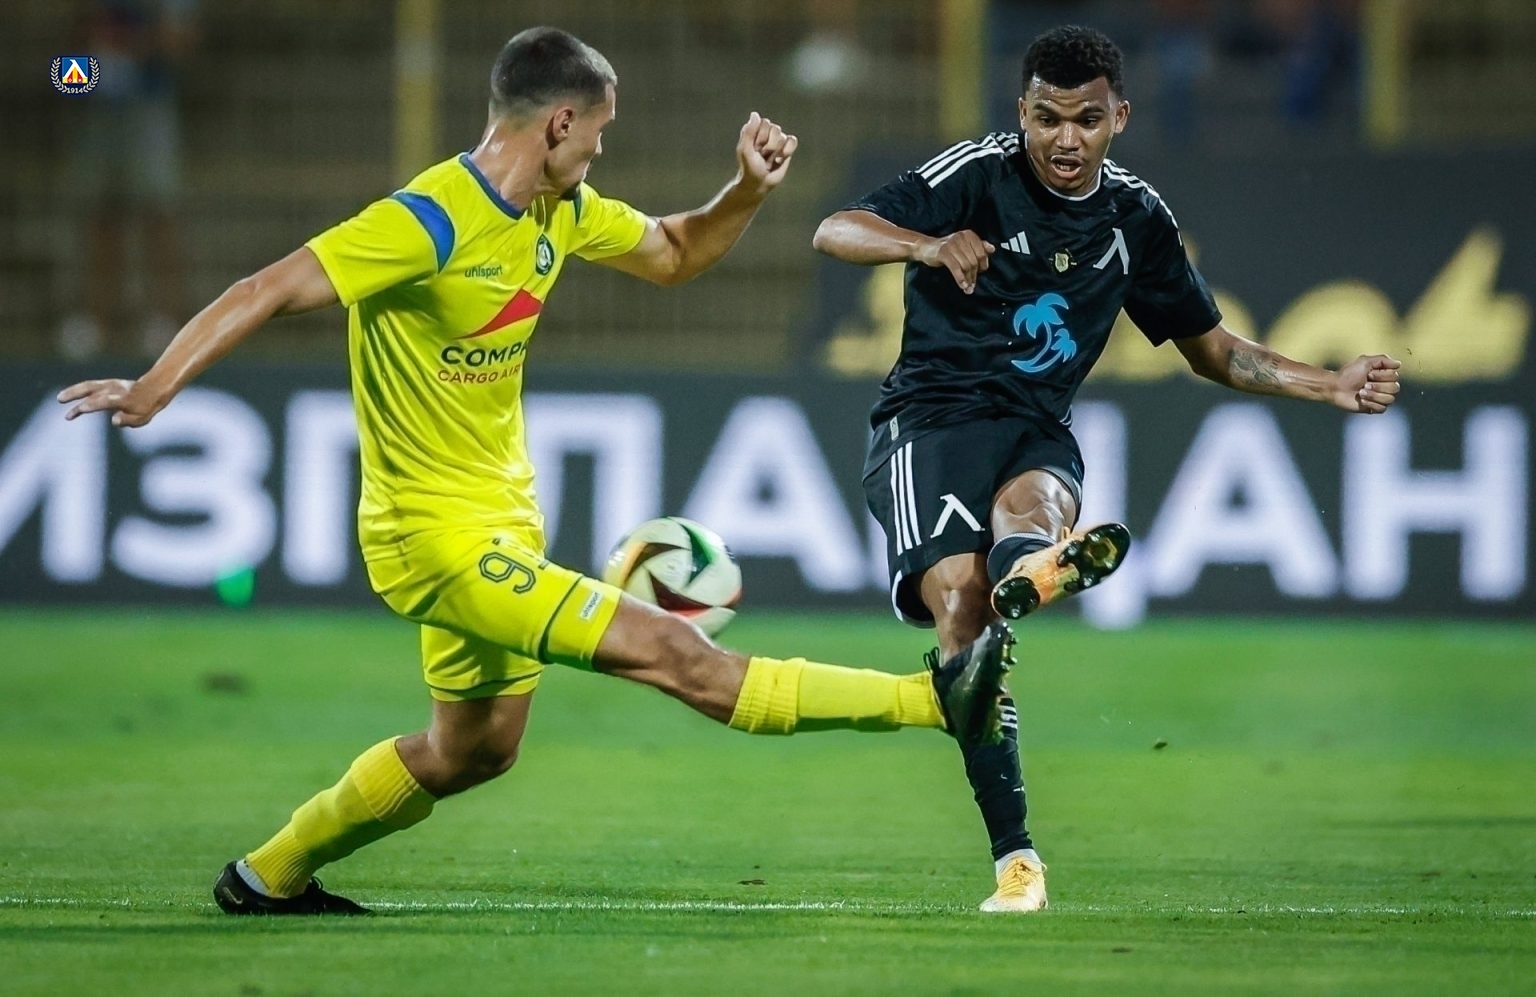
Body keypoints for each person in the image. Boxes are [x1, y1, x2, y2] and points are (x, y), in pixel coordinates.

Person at [58, 26, 1015, 916]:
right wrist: (155, 386)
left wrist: (745, 191)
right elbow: (265, 287)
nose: (599, 149)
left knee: (473, 749)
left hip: (503, 524)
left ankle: (266, 875)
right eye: (597, 133)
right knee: (677, 653)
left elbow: (675, 252)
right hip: (433, 540)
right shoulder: (428, 221)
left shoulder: (563, 209)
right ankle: (934, 697)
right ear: (560, 122)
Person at [812, 24, 1401, 913]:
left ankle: (1031, 569)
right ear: (1021, 111)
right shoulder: (974, 173)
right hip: (929, 426)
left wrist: (1330, 384)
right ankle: (1016, 851)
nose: (1065, 139)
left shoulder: (1136, 218)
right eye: (1046, 118)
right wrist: (925, 244)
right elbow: (834, 228)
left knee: (1039, 500)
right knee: (962, 610)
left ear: (1119, 117)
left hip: (1035, 426)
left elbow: (1213, 349)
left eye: (1086, 120)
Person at [59, 0, 198, 360]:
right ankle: (96, 321)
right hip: (97, 109)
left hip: (149, 107)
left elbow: (181, 40)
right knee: (101, 216)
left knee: (158, 214)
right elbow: (65, 68)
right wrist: (96, 62)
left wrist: (134, 48)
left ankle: (164, 319)